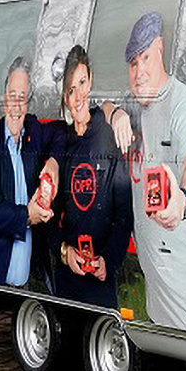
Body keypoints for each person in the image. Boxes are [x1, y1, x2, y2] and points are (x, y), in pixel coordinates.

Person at [109, 12, 186, 335]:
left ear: (160, 49)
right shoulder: (135, 105)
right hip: (158, 298)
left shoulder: (179, 103)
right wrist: (115, 113)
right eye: (132, 64)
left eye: (145, 58)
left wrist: (183, 202)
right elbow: (101, 106)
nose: (139, 71)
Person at [50, 45, 131, 308]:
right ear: (64, 98)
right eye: (71, 90)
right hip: (67, 280)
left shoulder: (108, 135)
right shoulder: (62, 143)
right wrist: (64, 252)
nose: (79, 95)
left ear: (91, 80)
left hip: (101, 280)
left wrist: (109, 259)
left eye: (82, 83)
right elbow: (48, 217)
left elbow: (123, 214)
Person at [0, 57, 59, 288]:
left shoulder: (32, 129)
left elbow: (62, 132)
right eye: (12, 95)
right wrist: (27, 216)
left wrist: (53, 162)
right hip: (1, 267)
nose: (16, 105)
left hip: (33, 267)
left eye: (22, 97)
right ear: (4, 100)